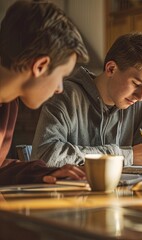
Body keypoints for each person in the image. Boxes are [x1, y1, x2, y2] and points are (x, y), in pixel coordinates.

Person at [31, 32, 142, 167]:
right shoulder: (66, 94)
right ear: (111, 69)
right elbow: (44, 155)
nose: (140, 97)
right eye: (136, 84)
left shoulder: (135, 105)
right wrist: (124, 156)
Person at [0, 1, 89, 185]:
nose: (59, 88)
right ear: (40, 66)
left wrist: (44, 173)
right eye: (61, 76)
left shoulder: (9, 104)